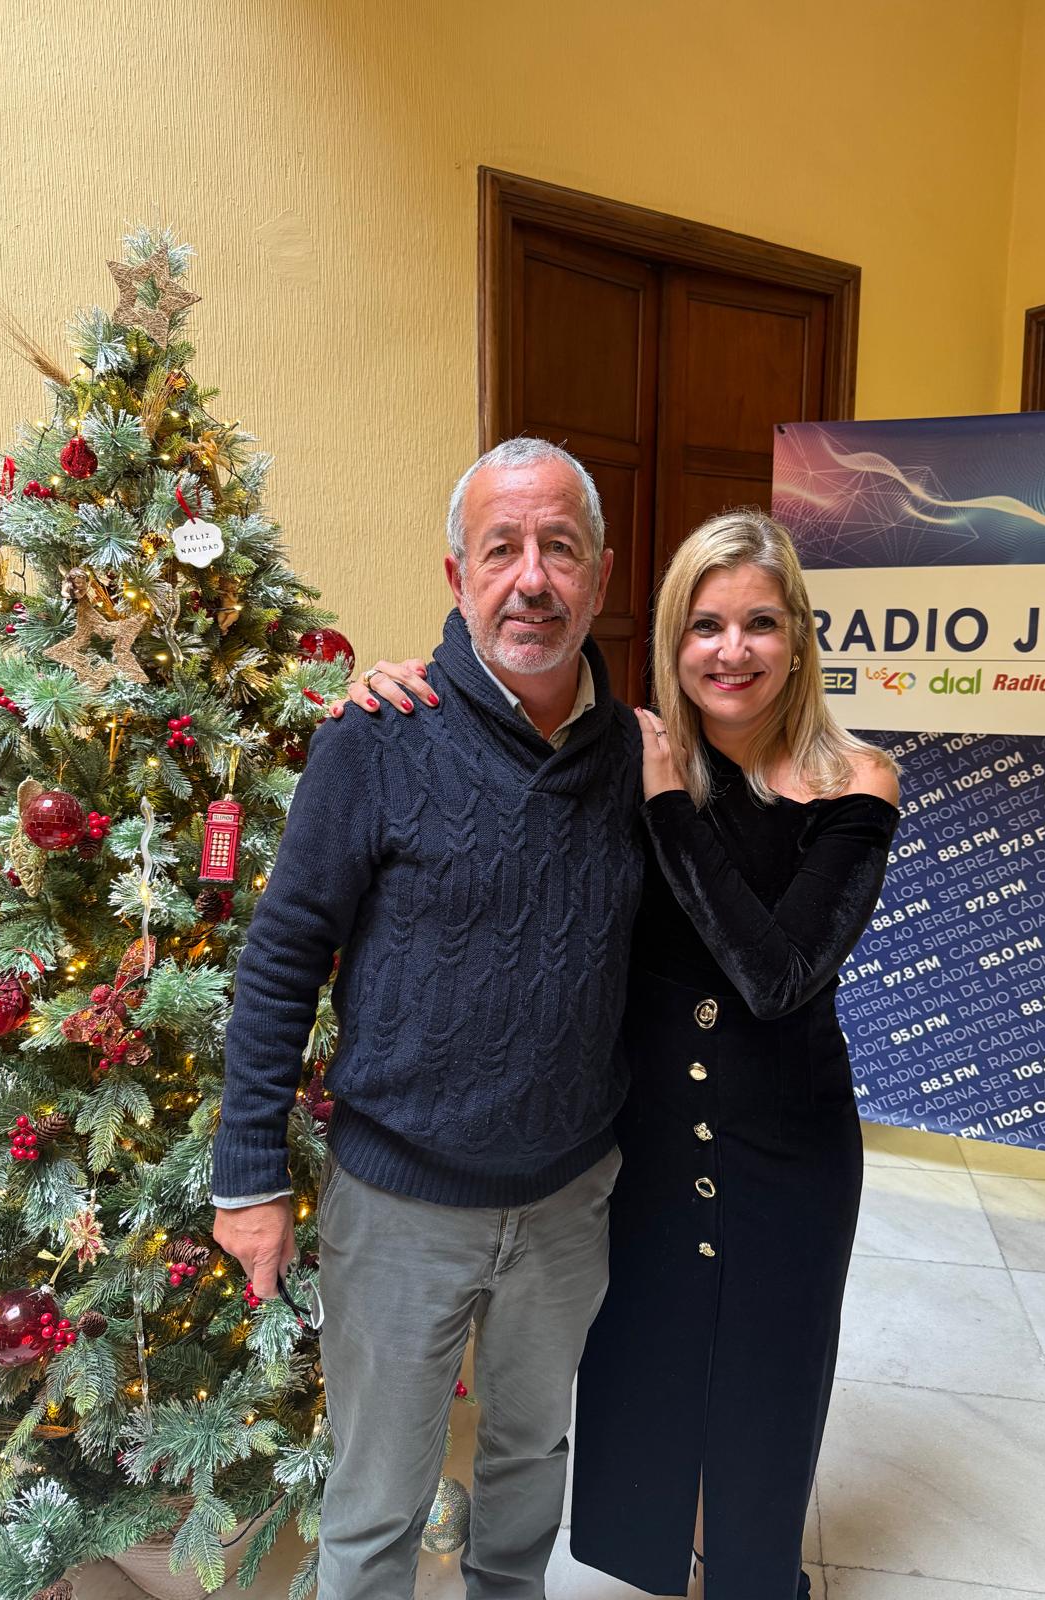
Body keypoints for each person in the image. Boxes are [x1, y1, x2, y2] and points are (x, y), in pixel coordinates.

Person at [346, 506, 901, 1599]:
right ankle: (672, 1565)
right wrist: (394, 689)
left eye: (758, 622)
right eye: (704, 626)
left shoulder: (853, 783)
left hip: (789, 1147)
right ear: (670, 639)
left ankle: (748, 1574)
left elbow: (776, 972)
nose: (730, 650)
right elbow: (506, 737)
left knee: (768, 1385)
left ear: (798, 637)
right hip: (641, 1139)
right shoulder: (623, 752)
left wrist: (668, 802)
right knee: (648, 1376)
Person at [211, 436, 648, 1600]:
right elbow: (281, 959)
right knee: (375, 1506)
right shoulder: (377, 737)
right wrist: (247, 1173)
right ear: (456, 575)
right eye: (501, 548)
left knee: (526, 1476)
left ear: (602, 574)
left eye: (561, 547)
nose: (532, 578)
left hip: (568, 1202)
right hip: (399, 1206)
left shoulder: (640, 757)